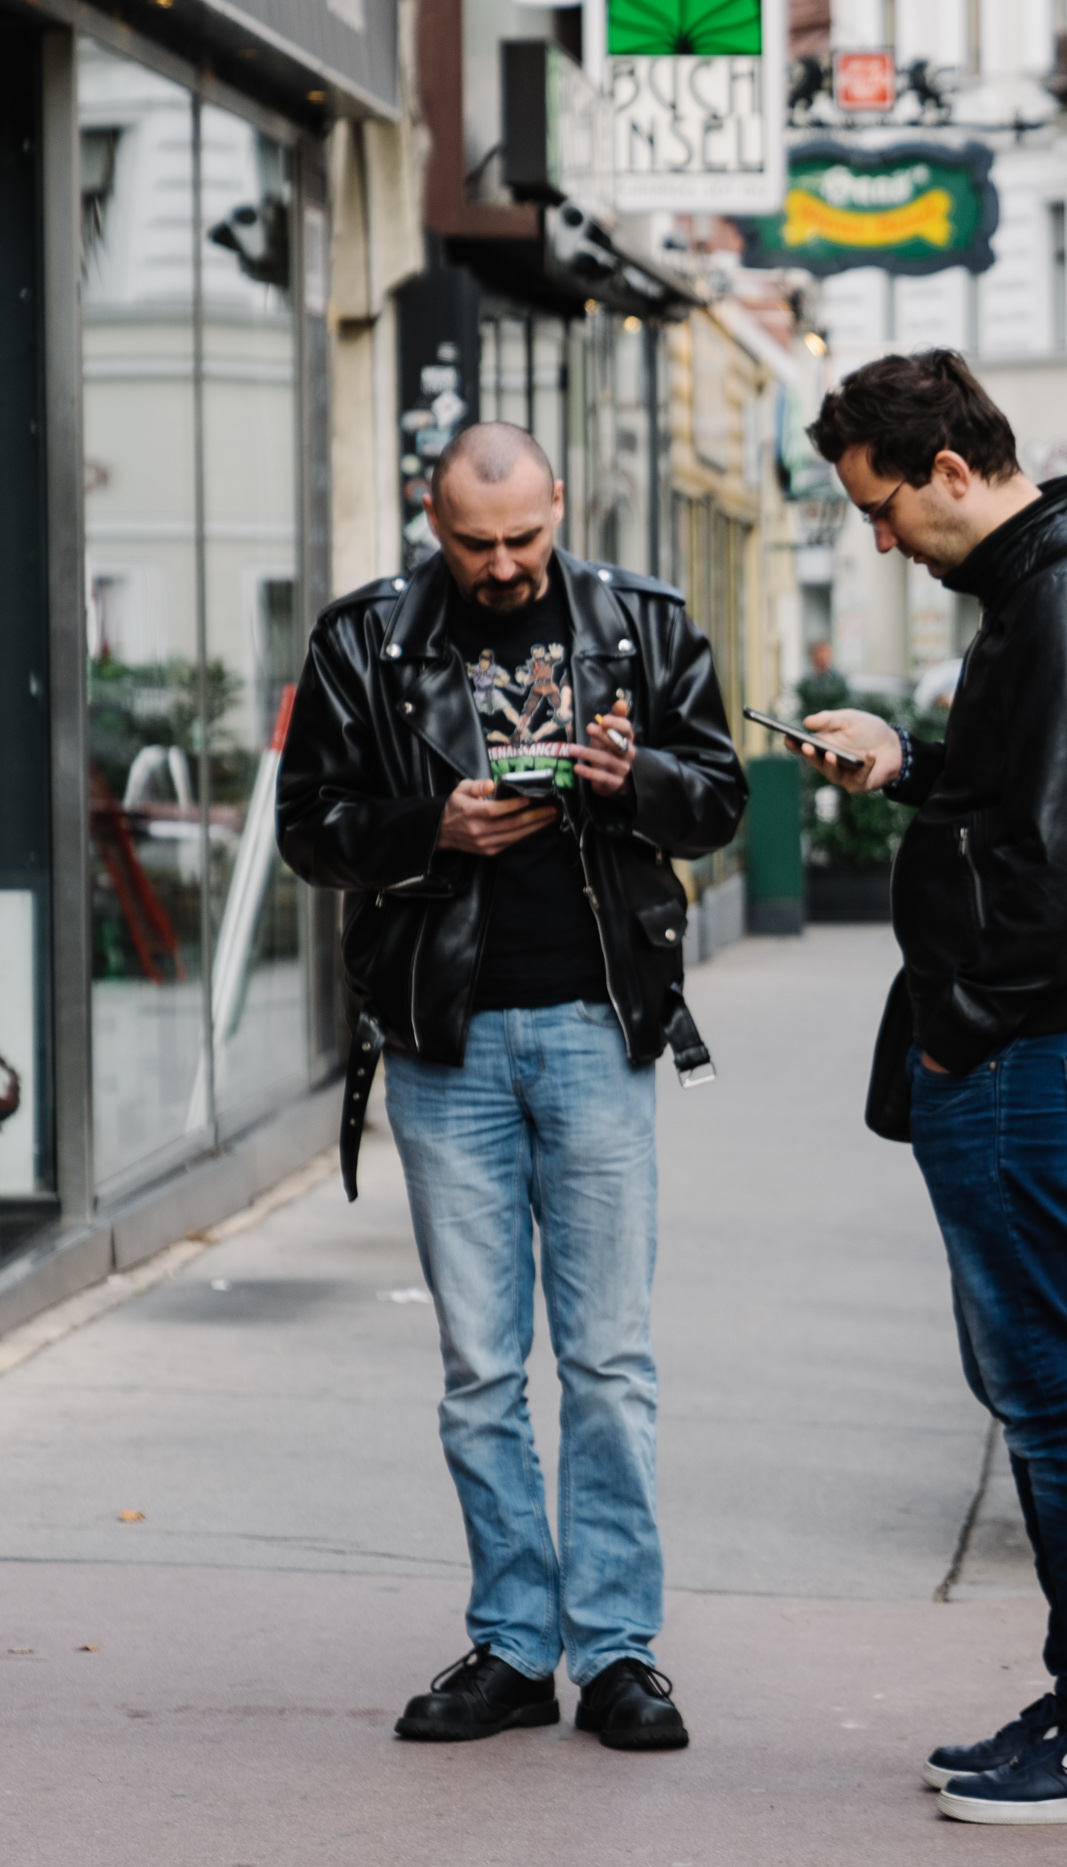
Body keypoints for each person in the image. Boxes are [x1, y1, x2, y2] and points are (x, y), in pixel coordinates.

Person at [276, 422, 747, 1752]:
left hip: (597, 1026)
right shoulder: (365, 639)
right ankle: (514, 1643)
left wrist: (636, 779)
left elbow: (719, 799)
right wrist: (432, 827)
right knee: (482, 1367)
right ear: (434, 523)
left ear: (560, 507)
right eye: (474, 542)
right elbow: (308, 826)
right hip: (446, 1040)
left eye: (524, 537)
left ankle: (617, 1647)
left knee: (608, 1360)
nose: (501, 564)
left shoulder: (642, 625)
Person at [798, 351, 1067, 1825]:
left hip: (1033, 1040)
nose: (880, 538)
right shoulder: (1046, 587)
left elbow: (1057, 855)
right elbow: (1022, 796)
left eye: (883, 507)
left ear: (950, 469)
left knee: (1056, 1386)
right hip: (1033, 1033)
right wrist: (907, 763)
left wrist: (957, 1031)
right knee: (1037, 1380)